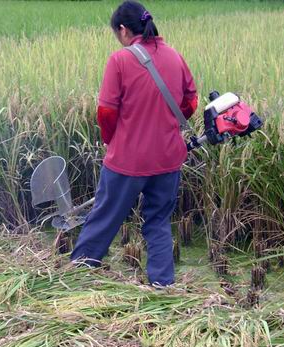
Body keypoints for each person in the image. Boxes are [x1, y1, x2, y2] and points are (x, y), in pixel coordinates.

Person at [70, 0, 198, 287]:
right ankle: (162, 284)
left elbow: (106, 112)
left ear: (124, 30)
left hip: (127, 160)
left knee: (105, 216)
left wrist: (109, 140)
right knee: (158, 222)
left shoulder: (120, 60)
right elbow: (190, 101)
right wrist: (167, 124)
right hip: (167, 158)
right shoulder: (174, 56)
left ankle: (79, 275)